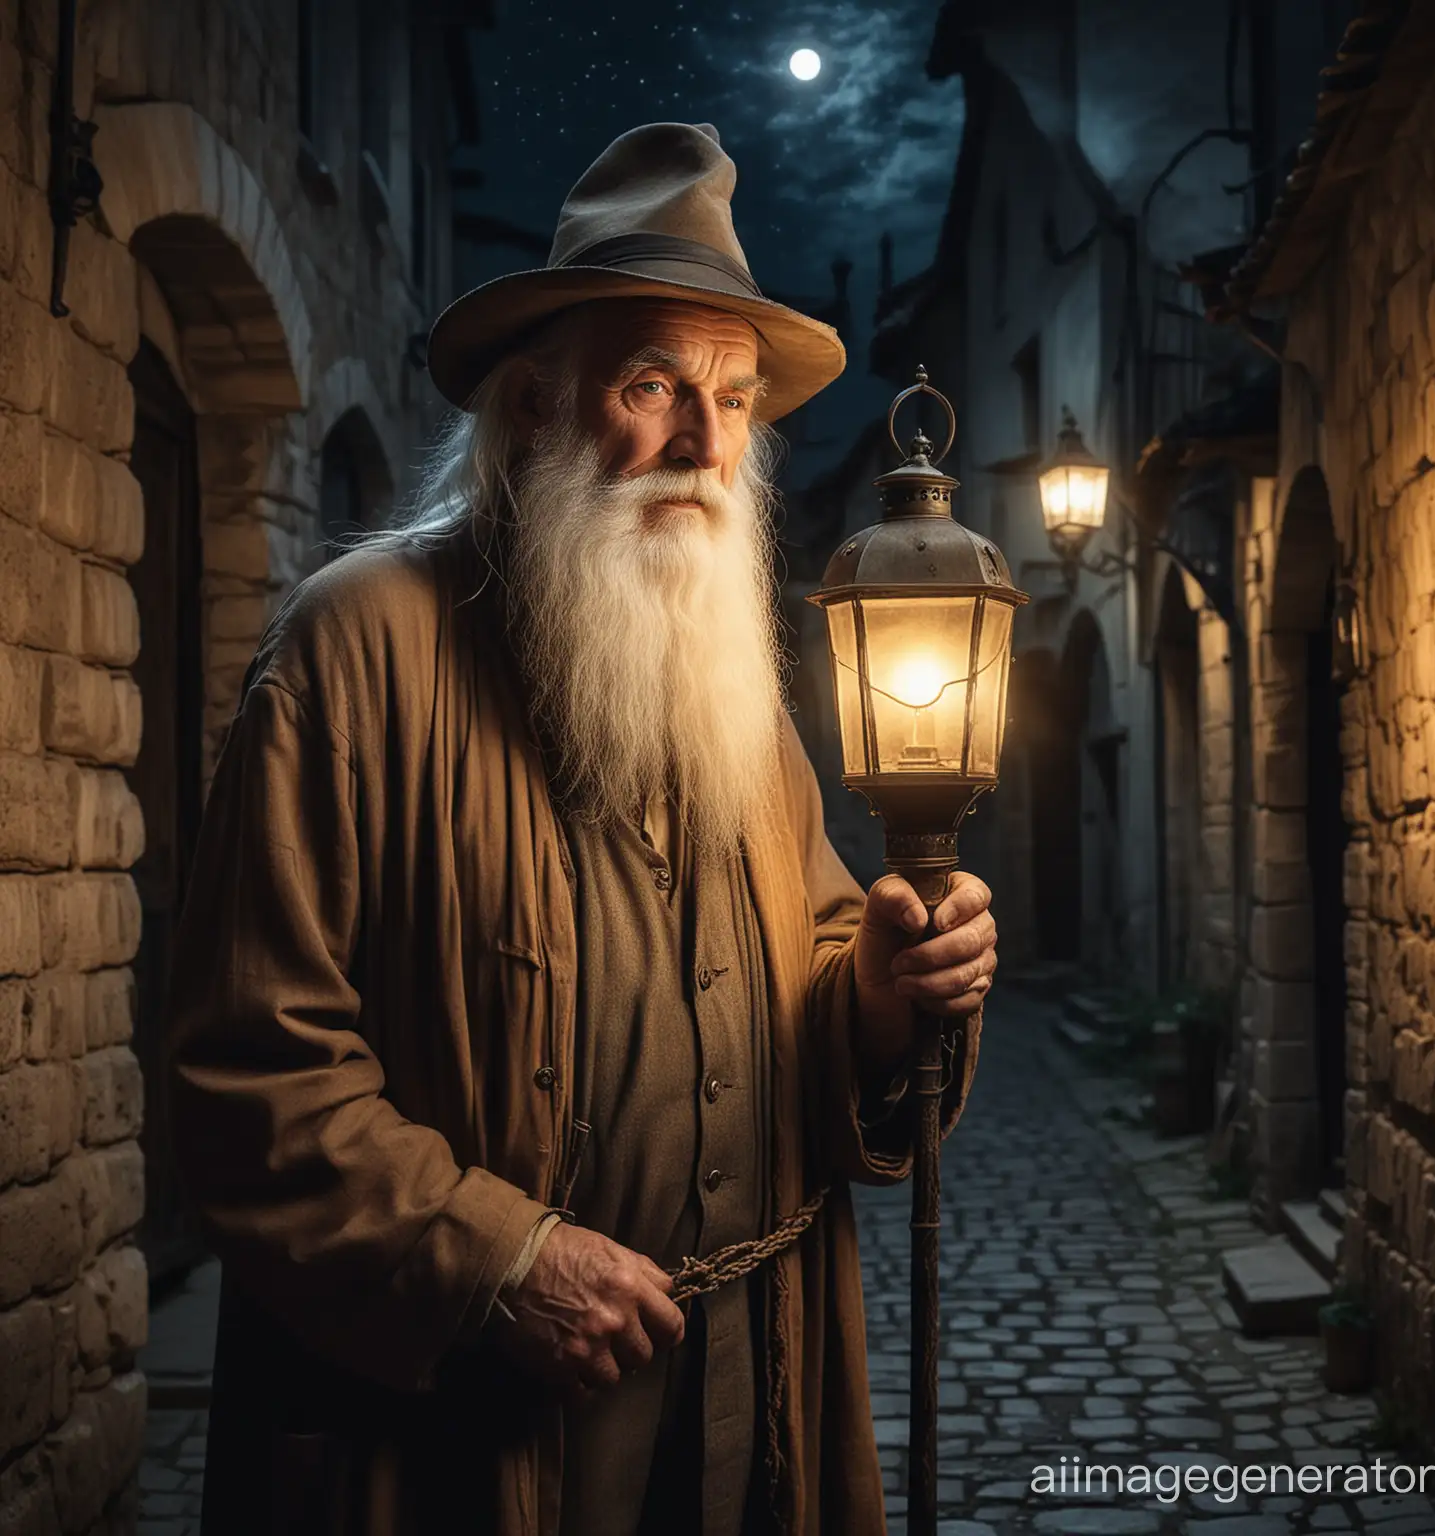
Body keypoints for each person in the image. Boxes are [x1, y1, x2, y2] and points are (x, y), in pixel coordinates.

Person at [167, 121, 998, 1536]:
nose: (706, 442)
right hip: (471, 1442)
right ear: (539, 403)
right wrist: (499, 1262)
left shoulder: (730, 672)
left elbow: (808, 959)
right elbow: (250, 1074)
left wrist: (871, 993)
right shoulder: (358, 648)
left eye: (735, 400)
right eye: (654, 384)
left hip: (752, 1393)